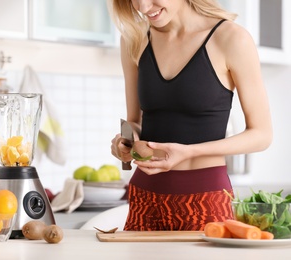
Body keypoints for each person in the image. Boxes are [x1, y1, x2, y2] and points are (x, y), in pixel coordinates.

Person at [109, 0, 272, 231]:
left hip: (206, 200)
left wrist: (189, 151)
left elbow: (262, 135)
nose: (143, 7)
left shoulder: (231, 39)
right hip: (144, 199)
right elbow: (136, 122)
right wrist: (126, 141)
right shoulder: (133, 39)